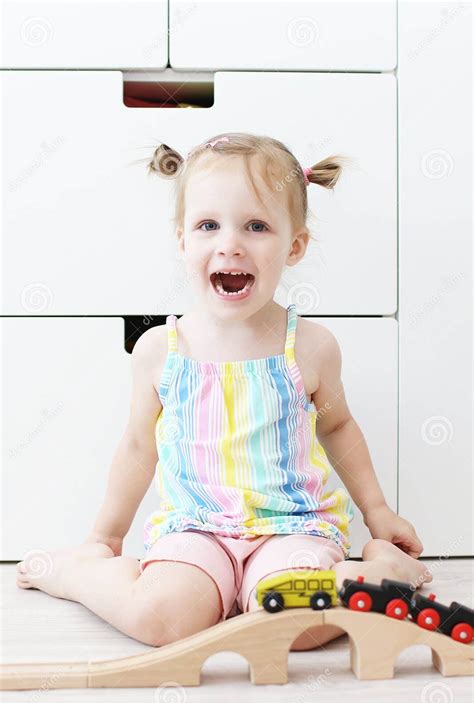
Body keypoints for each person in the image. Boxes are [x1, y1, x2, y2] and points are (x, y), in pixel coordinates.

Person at [17, 133, 432, 650]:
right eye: (208, 225)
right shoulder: (160, 350)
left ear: (294, 245)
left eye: (256, 226)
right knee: (160, 621)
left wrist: (378, 513)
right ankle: (77, 574)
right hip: (195, 529)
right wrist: (106, 535)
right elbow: (137, 448)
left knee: (294, 625)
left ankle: (383, 566)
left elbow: (339, 426)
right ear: (182, 240)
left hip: (292, 527)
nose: (230, 243)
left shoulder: (309, 346)